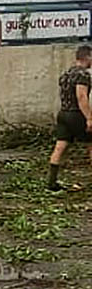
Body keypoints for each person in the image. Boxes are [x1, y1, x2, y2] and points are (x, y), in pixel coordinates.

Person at [47, 45, 92, 191]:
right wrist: (89, 118)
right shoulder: (83, 75)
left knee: (60, 147)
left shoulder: (65, 74)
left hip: (63, 113)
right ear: (87, 57)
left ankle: (51, 182)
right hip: (76, 113)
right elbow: (81, 96)